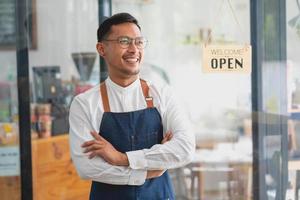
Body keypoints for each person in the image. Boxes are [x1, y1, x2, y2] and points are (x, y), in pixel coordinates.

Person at [69, 12, 195, 200]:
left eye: (139, 42)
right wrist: (148, 170)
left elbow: (185, 148)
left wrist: (121, 159)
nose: (134, 49)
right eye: (124, 41)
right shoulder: (85, 104)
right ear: (101, 49)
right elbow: (87, 167)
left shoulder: (163, 94)